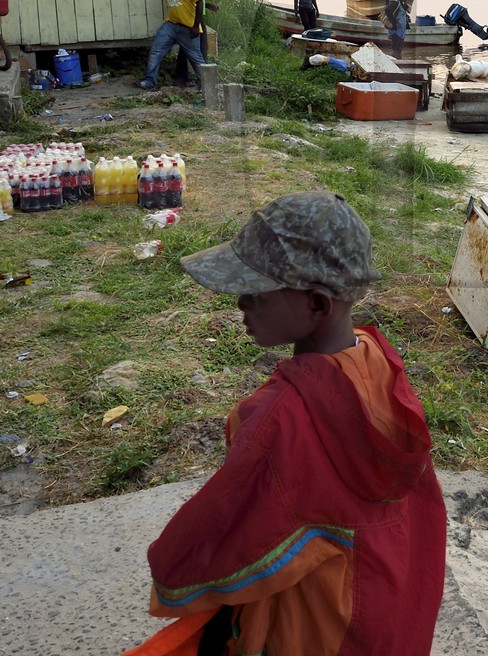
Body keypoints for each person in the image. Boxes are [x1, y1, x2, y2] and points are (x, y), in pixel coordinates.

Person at [126, 192, 445, 656]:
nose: (239, 304)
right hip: (382, 603)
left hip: (313, 632)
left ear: (318, 304)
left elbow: (215, 534)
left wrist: (170, 565)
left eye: (254, 294)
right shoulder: (376, 360)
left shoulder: (280, 417)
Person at [137, 0, 205, 90]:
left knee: (196, 58)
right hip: (171, 24)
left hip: (188, 27)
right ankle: (150, 82)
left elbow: (199, 3)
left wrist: (196, 26)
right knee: (156, 50)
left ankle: (206, 84)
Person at [172, 0, 218, 87]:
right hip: (195, 17)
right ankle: (203, 79)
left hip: (188, 16)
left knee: (185, 47)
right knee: (202, 48)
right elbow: (197, 1)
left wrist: (208, 5)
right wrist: (196, 24)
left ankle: (181, 78)